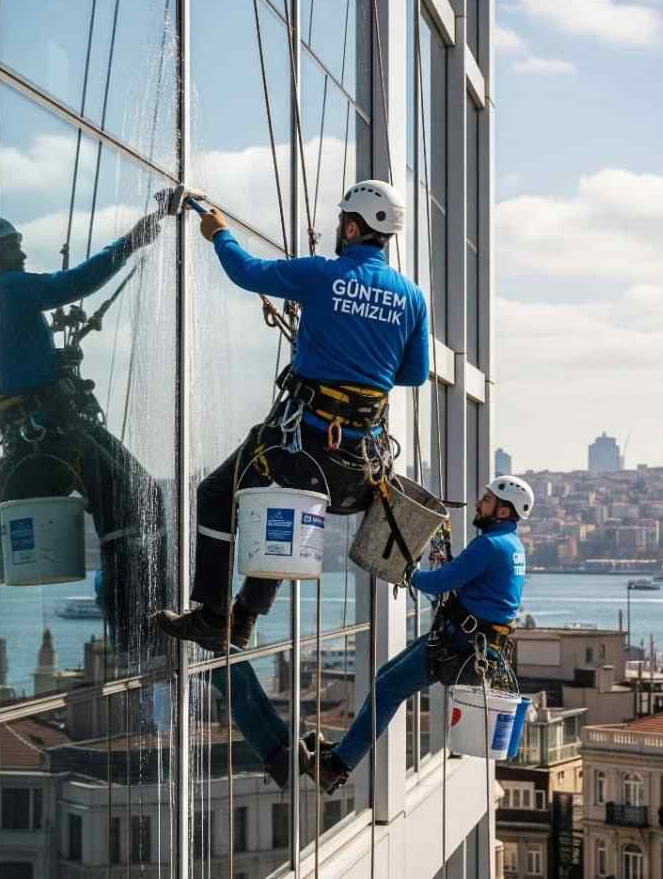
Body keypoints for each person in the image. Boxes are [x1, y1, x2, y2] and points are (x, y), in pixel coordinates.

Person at [156, 180, 429, 652]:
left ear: (349, 226)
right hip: (357, 465)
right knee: (281, 503)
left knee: (217, 491)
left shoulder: (322, 274)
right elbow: (414, 373)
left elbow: (245, 271)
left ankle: (214, 614)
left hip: (300, 442)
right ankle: (242, 620)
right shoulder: (411, 297)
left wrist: (218, 230)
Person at [0, 205, 172, 662]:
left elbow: (9, 365)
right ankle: (139, 632)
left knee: (127, 506)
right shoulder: (11, 289)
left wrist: (50, 363)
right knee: (141, 502)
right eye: (14, 247)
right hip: (54, 431)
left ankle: (130, 624)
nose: (22, 254)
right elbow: (76, 282)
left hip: (24, 438)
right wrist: (136, 239)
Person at [311, 475, 534, 794]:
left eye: (487, 500)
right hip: (467, 640)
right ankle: (341, 754)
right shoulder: (511, 545)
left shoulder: (489, 545)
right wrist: (447, 569)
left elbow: (439, 583)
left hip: (459, 643)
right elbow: (470, 581)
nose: (479, 503)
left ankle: (336, 767)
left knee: (388, 688)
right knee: (385, 678)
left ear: (502, 511)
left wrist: (408, 572)